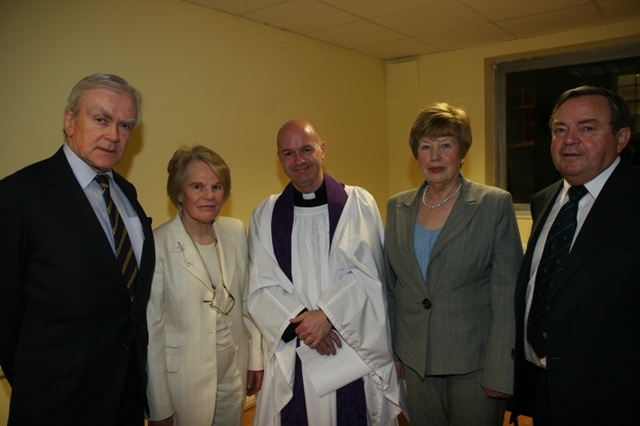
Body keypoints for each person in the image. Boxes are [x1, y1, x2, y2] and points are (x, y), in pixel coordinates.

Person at [0, 73, 154, 424]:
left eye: (125, 125)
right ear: (70, 121)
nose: (114, 135)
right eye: (101, 119)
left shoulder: (126, 194)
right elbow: (5, 313)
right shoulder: (19, 196)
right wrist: (39, 377)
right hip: (57, 403)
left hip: (126, 395)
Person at [246, 119, 403, 426]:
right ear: (279, 158)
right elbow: (261, 285)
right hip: (295, 347)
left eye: (306, 149)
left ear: (323, 149)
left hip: (350, 346)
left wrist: (328, 315)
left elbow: (372, 274)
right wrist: (304, 327)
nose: (299, 160)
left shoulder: (358, 204)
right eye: (288, 153)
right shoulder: (265, 214)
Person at [385, 103, 522, 426]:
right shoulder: (396, 207)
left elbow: (507, 295)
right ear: (416, 154)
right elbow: (393, 288)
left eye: (445, 145)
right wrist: (396, 352)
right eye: (426, 146)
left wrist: (501, 370)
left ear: (462, 152)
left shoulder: (493, 204)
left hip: (474, 366)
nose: (435, 156)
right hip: (416, 363)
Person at [512, 85, 640, 425]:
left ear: (622, 137)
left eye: (587, 127)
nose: (569, 139)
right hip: (543, 388)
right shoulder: (544, 200)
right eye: (560, 129)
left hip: (614, 400)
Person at [146, 145, 263, 426]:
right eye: (197, 186)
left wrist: (255, 358)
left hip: (233, 373)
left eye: (217, 186)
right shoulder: (157, 244)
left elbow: (248, 302)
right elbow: (152, 331)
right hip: (183, 381)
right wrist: (159, 406)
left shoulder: (235, 231)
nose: (209, 195)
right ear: (178, 193)